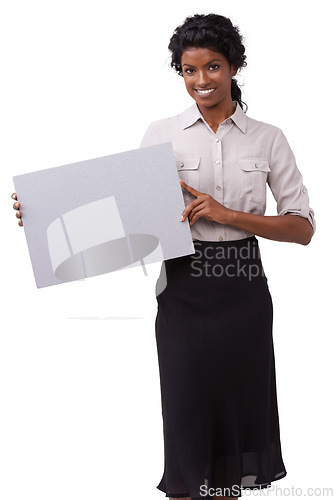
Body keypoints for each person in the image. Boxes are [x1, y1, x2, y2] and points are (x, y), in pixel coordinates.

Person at [12, 13, 315, 500]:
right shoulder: (162, 132)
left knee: (236, 417)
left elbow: (302, 229)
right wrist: (47, 215)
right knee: (187, 414)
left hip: (243, 287)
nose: (201, 81)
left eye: (212, 67)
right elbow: (126, 213)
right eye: (189, 71)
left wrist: (226, 214)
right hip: (184, 285)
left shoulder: (268, 137)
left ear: (234, 66)